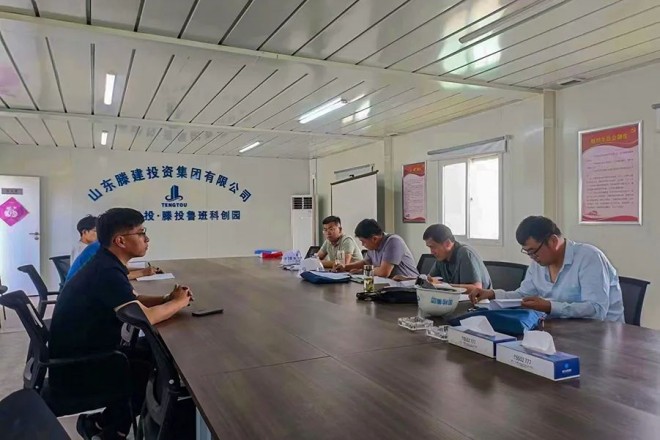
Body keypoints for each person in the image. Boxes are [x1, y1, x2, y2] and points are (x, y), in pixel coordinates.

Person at [49, 208, 193, 439]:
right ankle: (113, 431)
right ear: (120, 241)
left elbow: (133, 301)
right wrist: (179, 302)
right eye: (141, 233)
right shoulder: (106, 271)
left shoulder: (106, 263)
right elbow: (145, 317)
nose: (146, 239)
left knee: (149, 354)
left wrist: (167, 298)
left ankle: (102, 425)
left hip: (87, 350)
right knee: (147, 371)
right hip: (79, 365)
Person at [468, 216, 624, 322]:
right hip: (562, 330)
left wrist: (550, 307)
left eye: (533, 251)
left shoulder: (589, 257)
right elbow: (523, 295)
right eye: (528, 252)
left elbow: (597, 310)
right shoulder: (539, 263)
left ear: (553, 241)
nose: (532, 257)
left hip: (603, 336)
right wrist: (493, 294)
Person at [337, 219, 419, 279]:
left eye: (363, 241)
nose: (362, 245)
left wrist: (362, 271)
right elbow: (366, 262)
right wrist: (345, 267)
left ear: (374, 239)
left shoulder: (393, 241)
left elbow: (384, 272)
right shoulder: (373, 246)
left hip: (408, 286)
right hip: (390, 286)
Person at [423, 224, 492, 289]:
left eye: (433, 247)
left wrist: (444, 286)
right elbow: (430, 280)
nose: (431, 252)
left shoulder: (465, 254)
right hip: (454, 297)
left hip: (478, 298)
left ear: (447, 243)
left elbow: (476, 288)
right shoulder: (442, 257)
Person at [66, 241, 159, 282]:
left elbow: (118, 269)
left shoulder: (100, 245)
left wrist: (142, 269)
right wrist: (143, 272)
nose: (146, 239)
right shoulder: (101, 250)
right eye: (139, 234)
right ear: (120, 239)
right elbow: (114, 276)